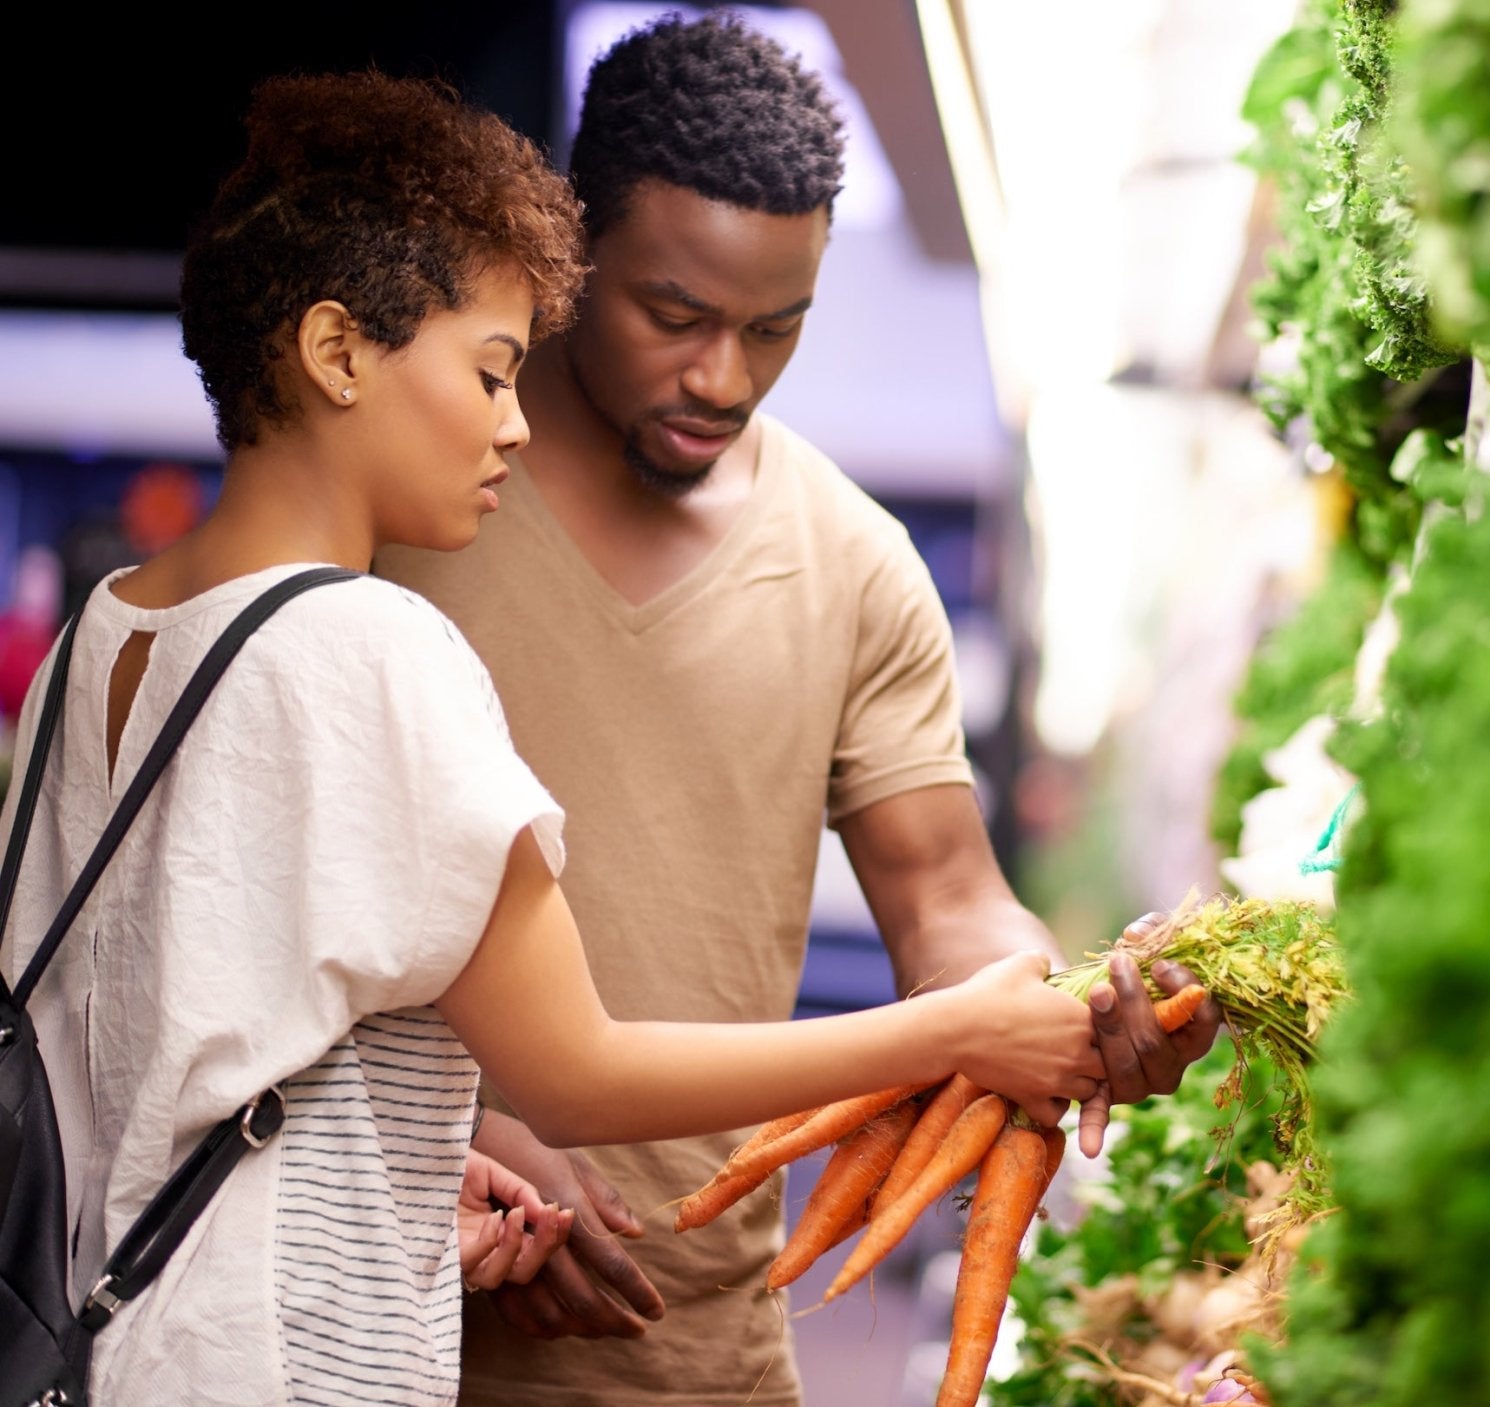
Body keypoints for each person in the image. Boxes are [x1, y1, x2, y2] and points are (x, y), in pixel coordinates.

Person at [0, 71, 1103, 1407]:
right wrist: (945, 1040)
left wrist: (398, 1154)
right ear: (340, 353)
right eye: (490, 372)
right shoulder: (378, 643)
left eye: (780, 328)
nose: (511, 425)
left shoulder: (94, 640)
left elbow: (157, 1043)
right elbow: (575, 1074)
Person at [377, 15, 1224, 1406]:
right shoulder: (408, 503)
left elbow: (948, 899)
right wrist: (443, 1133)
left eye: (777, 330)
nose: (724, 378)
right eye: (675, 316)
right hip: (387, 1334)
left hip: (706, 1354)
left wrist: (1065, 1008)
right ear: (569, 249)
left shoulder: (855, 559)